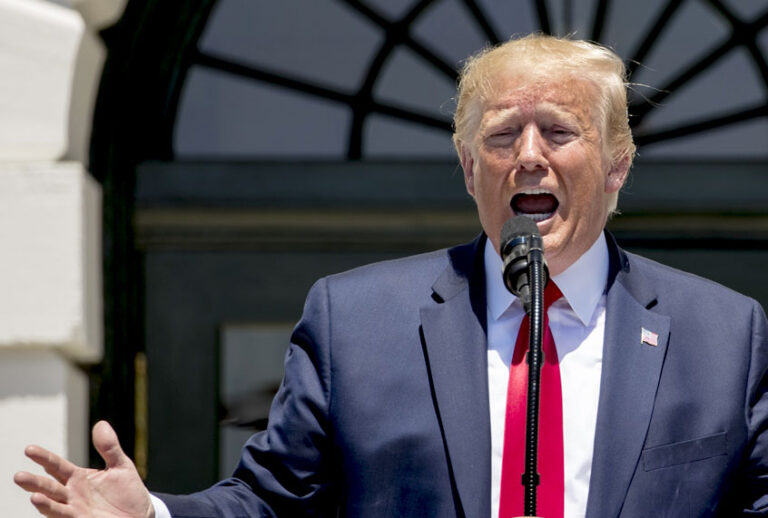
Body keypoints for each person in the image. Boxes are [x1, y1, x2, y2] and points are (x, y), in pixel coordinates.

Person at [15, 33, 768, 518]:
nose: (530, 155)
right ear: (470, 167)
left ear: (617, 167)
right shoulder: (359, 322)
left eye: (561, 132)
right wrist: (152, 516)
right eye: (503, 134)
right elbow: (271, 503)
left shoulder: (723, 334)